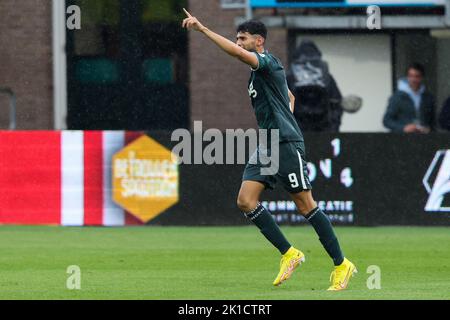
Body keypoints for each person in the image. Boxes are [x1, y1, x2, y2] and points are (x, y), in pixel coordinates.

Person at [182, 10, 356, 291]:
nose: (238, 43)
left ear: (258, 41)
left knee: (305, 205)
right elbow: (290, 96)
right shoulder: (260, 73)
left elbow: (238, 56)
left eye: (243, 39)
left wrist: (203, 29)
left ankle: (342, 264)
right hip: (268, 144)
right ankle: (290, 253)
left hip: (285, 144)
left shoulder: (267, 62)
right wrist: (282, 119)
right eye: (237, 38)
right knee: (245, 201)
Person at [287, 40, 343, 132]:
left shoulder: (290, 76)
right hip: (323, 129)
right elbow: (336, 102)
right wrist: (333, 129)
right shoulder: (326, 77)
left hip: (298, 129)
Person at [383, 63, 435, 133]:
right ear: (407, 77)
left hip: (423, 139)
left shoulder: (428, 97)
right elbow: (387, 120)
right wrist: (403, 128)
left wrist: (429, 129)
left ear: (422, 78)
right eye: (410, 76)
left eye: (417, 76)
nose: (413, 79)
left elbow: (432, 121)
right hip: (402, 139)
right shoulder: (398, 97)